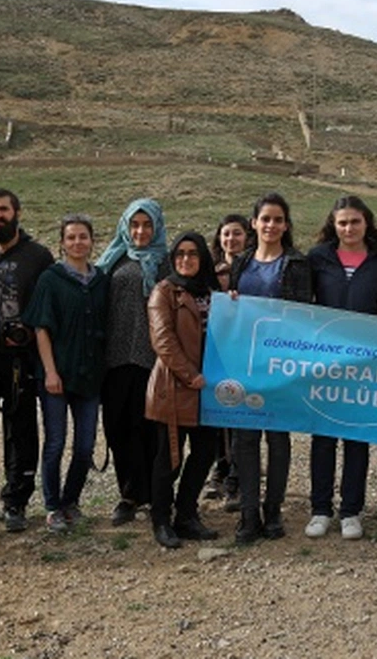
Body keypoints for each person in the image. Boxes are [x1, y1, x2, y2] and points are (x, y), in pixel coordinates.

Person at [304, 195, 377, 541]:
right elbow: (302, 307)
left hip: (364, 364)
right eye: (342, 222)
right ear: (333, 225)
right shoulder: (317, 259)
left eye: (355, 221)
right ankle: (320, 509)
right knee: (323, 437)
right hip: (325, 362)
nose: (349, 228)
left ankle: (351, 511)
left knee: (357, 437)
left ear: (366, 223)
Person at [228, 193, 312, 544]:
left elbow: (305, 314)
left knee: (278, 440)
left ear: (286, 225)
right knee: (244, 440)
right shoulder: (242, 262)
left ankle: (273, 510)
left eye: (278, 220)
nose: (271, 225)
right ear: (254, 223)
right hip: (244, 362)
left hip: (280, 364)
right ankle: (249, 513)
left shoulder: (297, 263)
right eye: (265, 219)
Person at [22, 214, 109, 533]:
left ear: (92, 240)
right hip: (57, 375)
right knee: (55, 442)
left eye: (83, 237)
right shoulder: (51, 279)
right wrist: (49, 372)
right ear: (62, 243)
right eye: (71, 237)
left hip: (90, 377)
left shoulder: (101, 280)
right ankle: (51, 505)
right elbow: (41, 327)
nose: (77, 243)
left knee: (85, 444)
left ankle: (71, 500)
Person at [0, 188, 55, 533]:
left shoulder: (38, 255)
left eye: (3, 209)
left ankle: (16, 502)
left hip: (21, 356)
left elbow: (47, 304)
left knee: (20, 429)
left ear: (17, 212)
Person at [145, 232, 222, 548]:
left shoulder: (213, 292)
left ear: (203, 257)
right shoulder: (164, 292)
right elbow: (163, 341)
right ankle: (161, 520)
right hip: (175, 387)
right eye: (180, 254)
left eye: (193, 254)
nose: (186, 260)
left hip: (208, 388)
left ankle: (187, 514)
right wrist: (191, 375)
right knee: (169, 458)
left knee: (204, 454)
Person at [96, 199, 169, 527]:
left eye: (147, 225)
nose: (140, 231)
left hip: (151, 358)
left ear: (156, 227)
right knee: (117, 426)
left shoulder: (166, 263)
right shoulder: (111, 260)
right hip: (114, 357)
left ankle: (154, 494)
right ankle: (129, 494)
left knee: (149, 428)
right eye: (134, 225)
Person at [206, 213, 252, 510]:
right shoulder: (209, 269)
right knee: (215, 416)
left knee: (239, 416)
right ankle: (220, 469)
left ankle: (237, 477)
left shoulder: (251, 268)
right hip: (213, 351)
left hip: (245, 351)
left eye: (236, 234)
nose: (230, 239)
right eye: (226, 234)